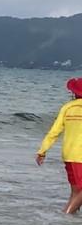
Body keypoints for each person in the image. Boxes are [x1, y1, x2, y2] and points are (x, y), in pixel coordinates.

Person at [36, 78, 82, 214]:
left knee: (75, 192)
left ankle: (67, 224)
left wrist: (42, 151)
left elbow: (54, 132)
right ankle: (67, 215)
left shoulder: (67, 107)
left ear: (74, 93)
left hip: (68, 154)